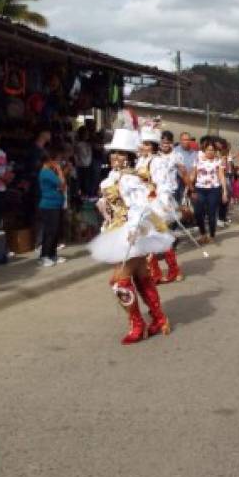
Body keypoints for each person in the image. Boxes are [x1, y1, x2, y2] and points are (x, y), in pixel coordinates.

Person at [89, 128, 173, 345]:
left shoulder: (129, 179)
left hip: (129, 233)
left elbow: (140, 206)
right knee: (141, 275)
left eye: (121, 153)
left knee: (119, 282)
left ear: (129, 157)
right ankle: (159, 319)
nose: (116, 157)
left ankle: (138, 324)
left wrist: (134, 227)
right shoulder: (112, 177)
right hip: (115, 231)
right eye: (114, 152)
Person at [137, 126, 183, 284]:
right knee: (147, 239)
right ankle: (154, 273)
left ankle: (174, 270)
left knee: (161, 238)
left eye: (148, 144)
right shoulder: (140, 160)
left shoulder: (157, 161)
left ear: (154, 146)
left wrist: (161, 203)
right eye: (143, 143)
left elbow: (163, 185)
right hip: (141, 203)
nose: (144, 146)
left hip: (154, 204)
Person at [189, 139, 228, 244]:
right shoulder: (198, 160)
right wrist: (189, 187)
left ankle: (211, 235)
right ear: (204, 150)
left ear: (215, 151)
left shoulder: (218, 161)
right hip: (199, 189)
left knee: (211, 214)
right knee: (198, 213)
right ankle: (202, 234)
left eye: (212, 150)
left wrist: (224, 192)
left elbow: (221, 176)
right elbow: (193, 175)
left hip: (214, 190)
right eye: (208, 150)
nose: (210, 152)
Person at [37, 149, 67, 267]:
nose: (57, 162)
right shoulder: (46, 172)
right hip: (49, 205)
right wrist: (59, 170)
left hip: (55, 204)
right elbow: (62, 184)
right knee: (50, 231)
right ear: (49, 161)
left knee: (55, 231)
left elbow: (60, 186)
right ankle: (44, 256)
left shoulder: (49, 172)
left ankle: (52, 254)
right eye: (55, 160)